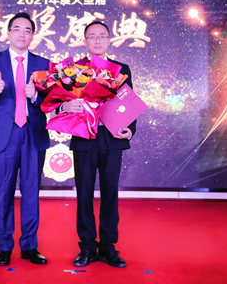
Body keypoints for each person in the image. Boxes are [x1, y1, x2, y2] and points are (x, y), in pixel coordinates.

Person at [0, 12, 50, 267]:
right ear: (8, 33)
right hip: (2, 136)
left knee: (31, 191)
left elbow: (52, 101)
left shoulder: (44, 64)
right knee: (3, 191)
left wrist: (35, 97)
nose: (22, 33)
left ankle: (29, 246)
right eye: (17, 29)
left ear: (33, 35)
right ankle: (4, 247)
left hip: (32, 133)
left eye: (27, 30)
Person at [62, 21, 136, 268]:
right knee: (84, 192)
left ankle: (108, 247)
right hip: (84, 137)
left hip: (112, 138)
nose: (97, 40)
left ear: (109, 40)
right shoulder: (74, 70)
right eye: (92, 36)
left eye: (102, 36)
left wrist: (130, 130)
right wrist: (65, 106)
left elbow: (129, 103)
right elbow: (59, 101)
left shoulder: (121, 69)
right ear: (85, 41)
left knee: (110, 192)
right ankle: (86, 247)